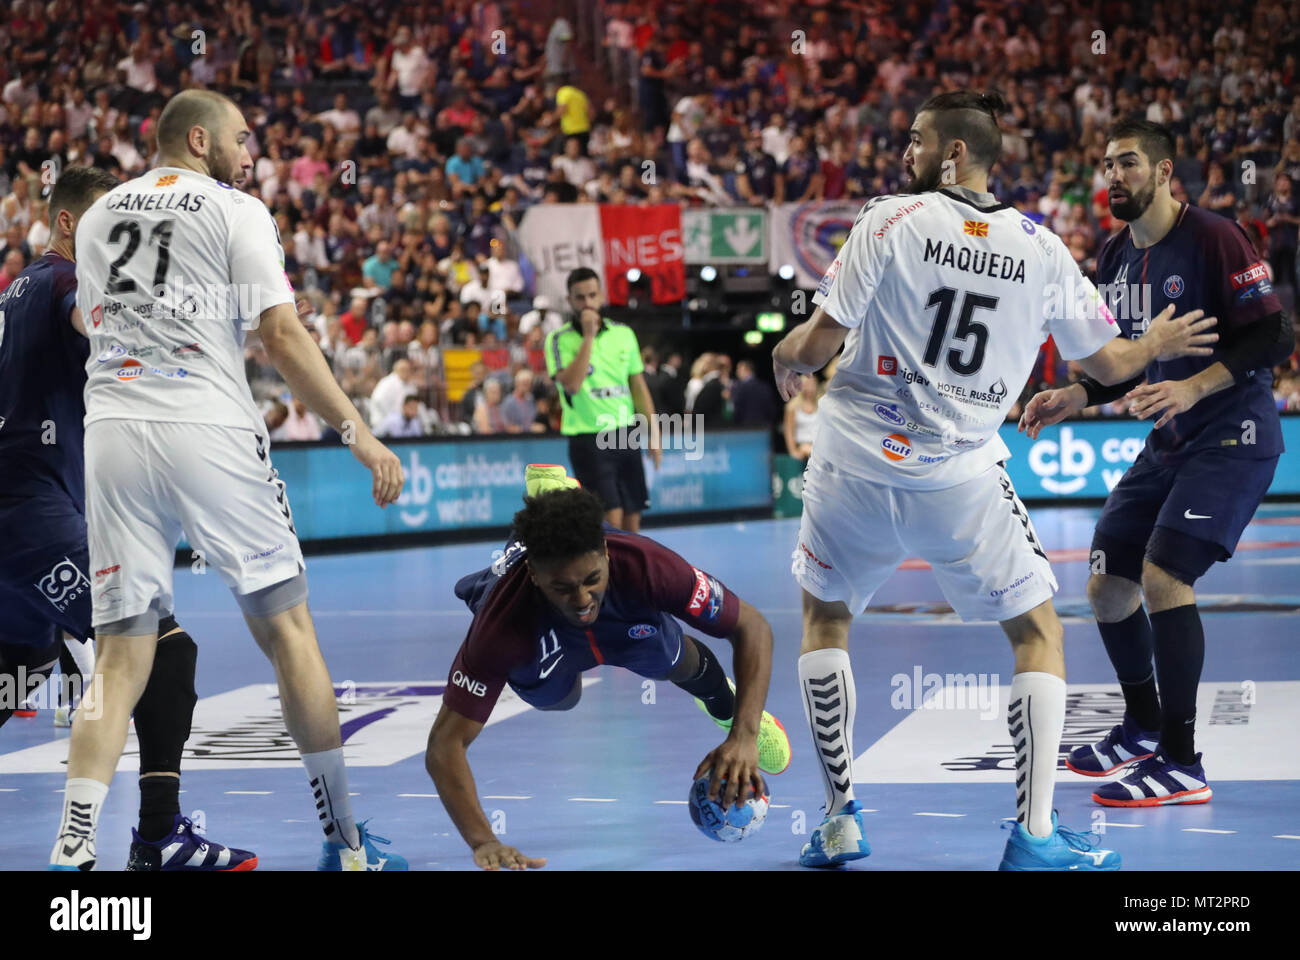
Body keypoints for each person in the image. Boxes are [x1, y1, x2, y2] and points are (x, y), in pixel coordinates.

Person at [770, 91, 1216, 871]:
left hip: (850, 463)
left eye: (915, 141)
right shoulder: (1040, 249)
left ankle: (841, 818)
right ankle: (1034, 837)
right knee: (1038, 633)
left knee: (826, 621)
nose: (903, 152)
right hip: (959, 474)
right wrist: (1157, 342)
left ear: (953, 154)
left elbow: (815, 349)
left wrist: (783, 351)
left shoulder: (888, 219)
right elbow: (1107, 365)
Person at [52, 89, 408, 871]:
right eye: (244, 138)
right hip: (205, 425)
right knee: (287, 631)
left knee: (118, 656)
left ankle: (71, 849)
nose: (253, 154)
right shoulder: (234, 209)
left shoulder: (102, 214)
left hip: (110, 432)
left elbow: (94, 325)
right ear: (199, 140)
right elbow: (278, 333)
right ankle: (347, 845)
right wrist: (358, 433)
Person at [1019, 119, 1292, 808]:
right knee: (1109, 577)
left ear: (1167, 171)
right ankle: (1141, 724)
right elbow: (1121, 366)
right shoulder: (1114, 258)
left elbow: (1272, 334)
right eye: (1108, 164)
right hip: (1169, 440)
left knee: (1166, 574)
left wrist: (1193, 386)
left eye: (1130, 163)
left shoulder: (1214, 236)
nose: (1115, 176)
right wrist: (1075, 395)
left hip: (1232, 432)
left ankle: (1181, 759)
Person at [0, 165, 256, 870]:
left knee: (22, 668)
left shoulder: (15, 289)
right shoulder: (63, 283)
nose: (120, 241)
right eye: (107, 227)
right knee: (163, 651)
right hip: (31, 516)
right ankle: (157, 836)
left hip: (25, 518)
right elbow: (93, 317)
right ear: (64, 224)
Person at [425, 466, 791, 870]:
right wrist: (483, 841)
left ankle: (724, 706)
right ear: (534, 575)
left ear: (604, 548)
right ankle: (551, 495)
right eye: (563, 587)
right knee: (559, 700)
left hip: (623, 612)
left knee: (670, 661)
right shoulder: (500, 626)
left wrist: (744, 734)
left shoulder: (645, 565)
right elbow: (445, 745)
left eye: (591, 579)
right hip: (542, 634)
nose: (582, 599)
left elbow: (750, 626)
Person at [546, 267, 661, 532]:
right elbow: (572, 385)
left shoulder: (624, 334)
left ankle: (627, 574)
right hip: (589, 437)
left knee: (633, 516)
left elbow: (638, 387)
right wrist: (588, 337)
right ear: (569, 301)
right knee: (611, 518)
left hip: (625, 433)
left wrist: (653, 433)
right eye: (580, 297)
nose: (587, 303)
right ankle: (607, 573)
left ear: (602, 296)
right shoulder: (558, 340)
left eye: (592, 295)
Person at [730, 358, 779, 429]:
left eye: (739, 369)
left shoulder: (738, 387)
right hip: (764, 426)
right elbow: (772, 409)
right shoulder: (765, 386)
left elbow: (737, 408)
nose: (736, 372)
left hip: (744, 427)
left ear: (747, 370)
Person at [783, 374, 820, 462]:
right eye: (807, 384)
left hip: (818, 447)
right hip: (802, 447)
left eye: (812, 384)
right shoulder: (792, 407)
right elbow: (789, 431)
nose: (810, 388)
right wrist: (793, 451)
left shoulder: (821, 405)